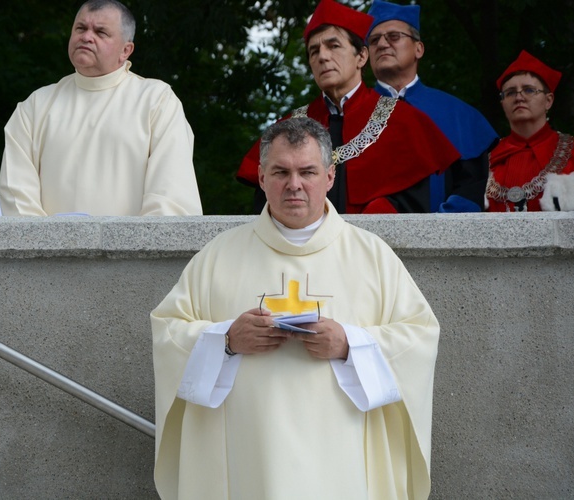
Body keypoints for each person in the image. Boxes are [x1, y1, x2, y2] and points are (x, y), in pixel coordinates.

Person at [153, 116, 439, 499]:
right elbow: (168, 330)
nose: (294, 185)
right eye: (280, 172)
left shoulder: (371, 256)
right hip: (248, 449)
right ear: (260, 176)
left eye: (307, 171)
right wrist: (226, 339)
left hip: (343, 446)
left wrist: (350, 344)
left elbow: (419, 336)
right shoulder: (218, 256)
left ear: (330, 176)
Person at [237, 0, 459, 214]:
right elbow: (265, 206)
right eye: (314, 51)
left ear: (362, 56)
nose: (323, 56)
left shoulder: (403, 121)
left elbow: (415, 209)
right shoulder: (285, 130)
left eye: (333, 46)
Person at [0, 0, 202, 217]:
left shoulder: (156, 101)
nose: (86, 37)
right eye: (80, 28)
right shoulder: (36, 105)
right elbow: (17, 195)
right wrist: (48, 247)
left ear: (126, 50)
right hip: (50, 250)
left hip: (132, 249)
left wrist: (133, 248)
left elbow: (169, 198)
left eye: (101, 32)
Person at [366, 0, 498, 212]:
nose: (381, 44)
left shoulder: (456, 114)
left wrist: (442, 226)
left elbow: (473, 182)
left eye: (393, 37)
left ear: (418, 49)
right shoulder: (350, 112)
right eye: (373, 40)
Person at [486, 50, 574, 212]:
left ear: (548, 101)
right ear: (503, 103)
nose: (519, 97)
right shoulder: (486, 160)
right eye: (510, 92)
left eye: (529, 90)